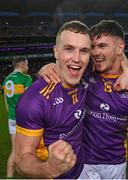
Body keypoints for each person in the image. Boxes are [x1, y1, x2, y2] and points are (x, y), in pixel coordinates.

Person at [39, 20, 128, 179]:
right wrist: (48, 67)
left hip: (116, 164)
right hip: (81, 162)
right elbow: (65, 64)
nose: (95, 52)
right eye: (93, 47)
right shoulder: (83, 75)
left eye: (102, 46)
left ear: (120, 48)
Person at [14, 20, 92, 179]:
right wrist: (48, 168)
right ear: (56, 52)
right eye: (69, 49)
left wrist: (127, 70)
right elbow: (21, 159)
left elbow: (113, 48)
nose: (77, 58)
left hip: (84, 170)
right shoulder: (34, 101)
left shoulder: (87, 74)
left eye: (84, 51)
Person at [2, 57, 32, 177]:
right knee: (31, 150)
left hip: (12, 118)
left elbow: (6, 103)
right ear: (23, 65)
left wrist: (12, 115)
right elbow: (29, 101)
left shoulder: (6, 79)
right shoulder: (26, 78)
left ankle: (9, 178)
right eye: (27, 65)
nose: (28, 67)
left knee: (14, 151)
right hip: (24, 119)